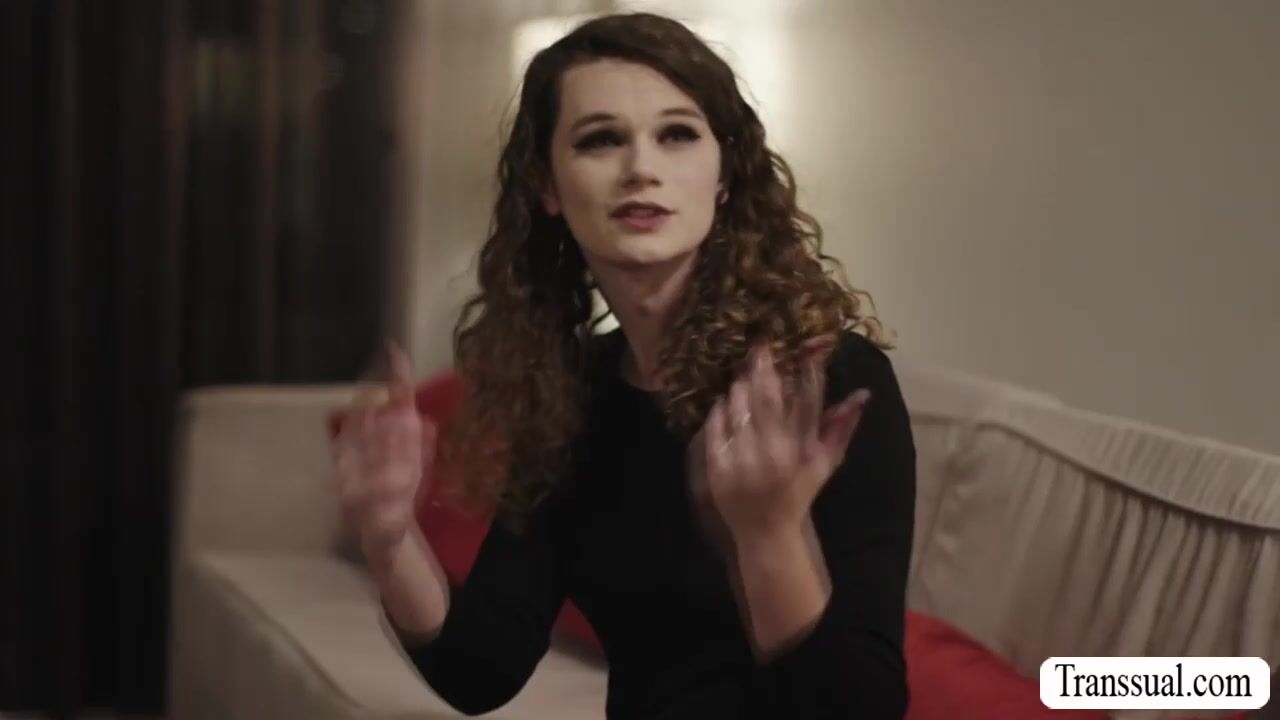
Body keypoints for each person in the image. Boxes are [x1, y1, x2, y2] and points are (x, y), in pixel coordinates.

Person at [333, 12, 916, 720]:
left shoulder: (827, 379)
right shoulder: (574, 392)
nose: (641, 167)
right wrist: (390, 540)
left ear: (724, 175)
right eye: (601, 139)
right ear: (548, 185)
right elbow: (480, 671)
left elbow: (859, 709)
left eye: (677, 134)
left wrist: (769, 538)